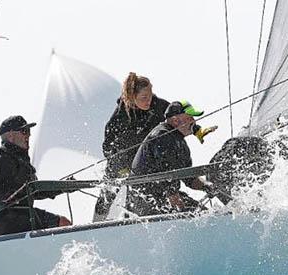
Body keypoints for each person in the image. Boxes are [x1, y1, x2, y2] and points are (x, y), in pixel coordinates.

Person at [93, 73, 217, 221]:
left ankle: (131, 213)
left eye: (150, 96)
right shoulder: (120, 117)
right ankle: (96, 223)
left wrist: (197, 131)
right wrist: (122, 165)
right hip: (121, 162)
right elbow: (108, 146)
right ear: (132, 97)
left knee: (144, 190)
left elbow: (179, 117)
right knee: (108, 194)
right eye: (144, 98)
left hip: (153, 154)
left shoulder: (158, 106)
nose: (148, 101)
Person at [0, 115, 71, 236]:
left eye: (29, 132)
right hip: (8, 219)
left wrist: (63, 187)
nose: (28, 135)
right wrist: (2, 197)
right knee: (63, 223)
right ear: (11, 135)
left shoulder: (23, 163)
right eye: (24, 131)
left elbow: (35, 191)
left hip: (24, 215)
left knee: (63, 223)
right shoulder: (1, 158)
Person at [126, 100, 215, 216]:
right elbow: (167, 179)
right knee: (199, 216)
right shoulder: (162, 136)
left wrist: (206, 186)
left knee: (204, 214)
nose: (193, 121)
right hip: (144, 199)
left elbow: (189, 178)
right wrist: (182, 211)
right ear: (175, 120)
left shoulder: (180, 142)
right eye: (189, 118)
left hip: (162, 195)